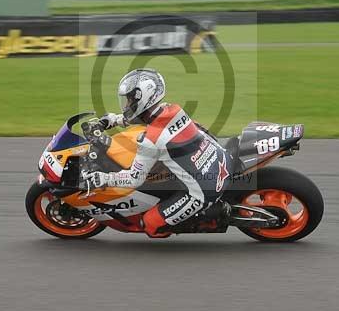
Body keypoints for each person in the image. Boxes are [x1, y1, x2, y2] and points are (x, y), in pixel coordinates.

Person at [82, 68, 232, 237]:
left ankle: (213, 214)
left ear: (144, 98)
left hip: (203, 190)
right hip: (218, 159)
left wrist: (103, 178)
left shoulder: (151, 140)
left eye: (130, 99)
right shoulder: (171, 109)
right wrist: (114, 120)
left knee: (149, 225)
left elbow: (134, 179)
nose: (126, 104)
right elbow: (143, 118)